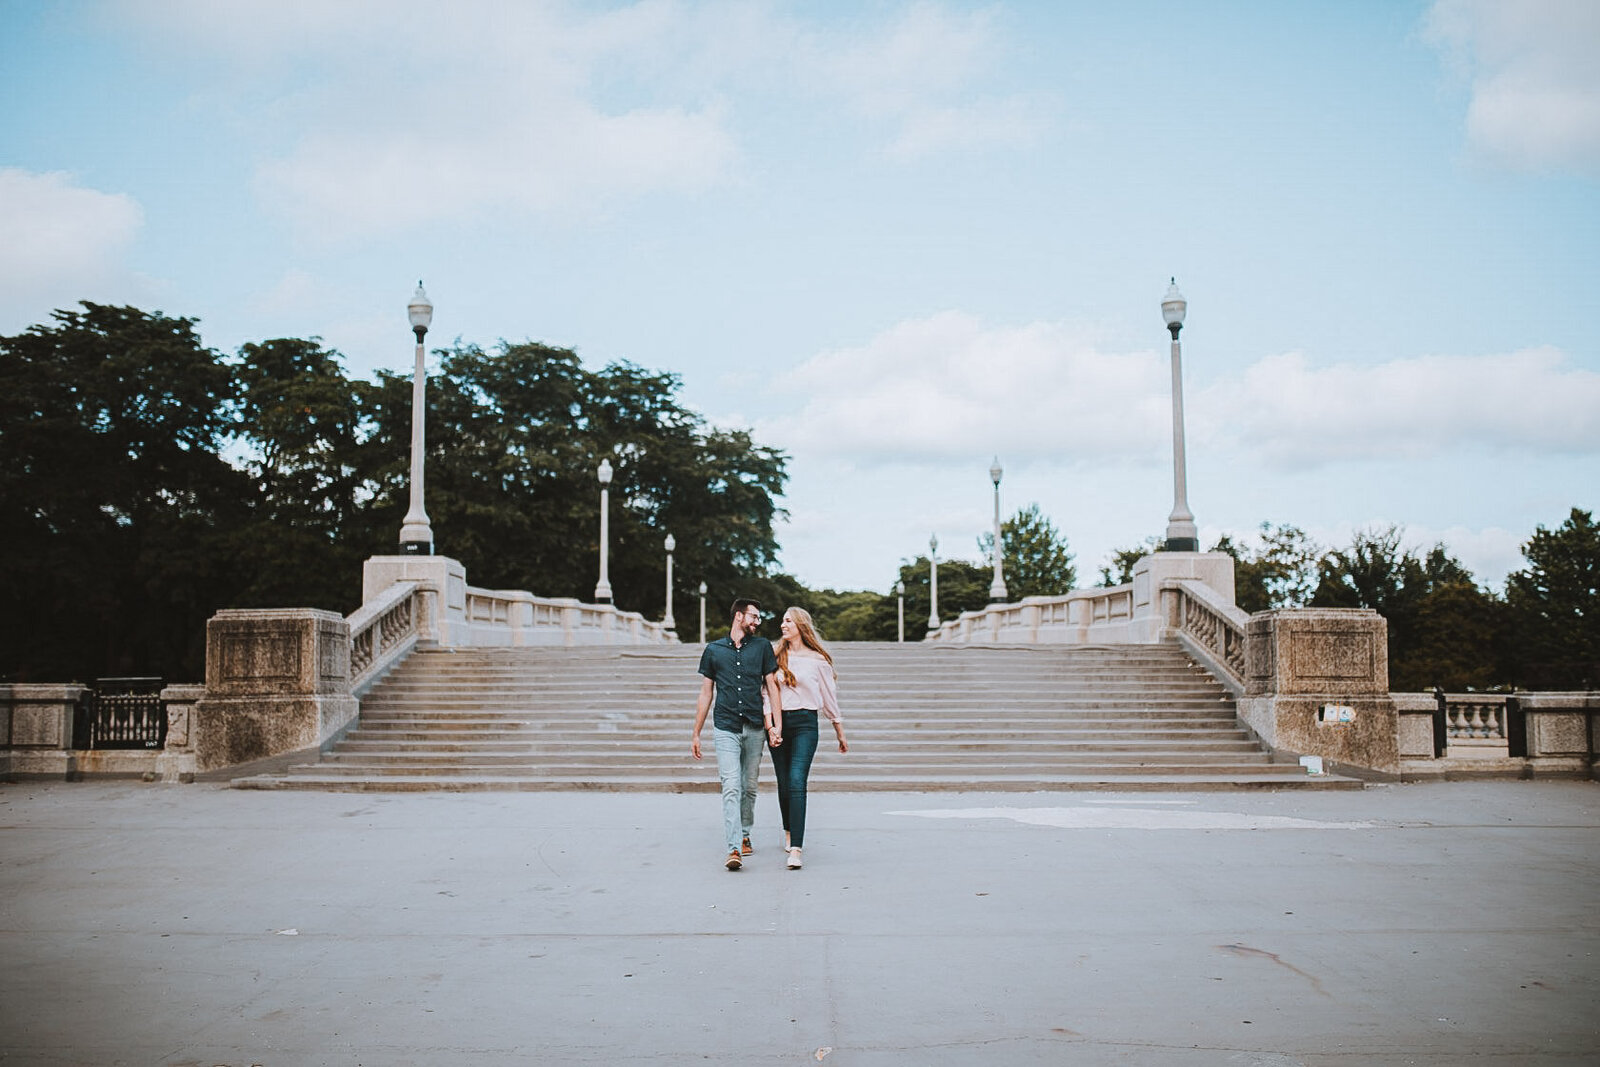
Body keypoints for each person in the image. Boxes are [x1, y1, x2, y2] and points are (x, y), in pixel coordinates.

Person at [691, 598, 781, 871]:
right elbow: (706, 693)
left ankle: (744, 833)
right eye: (754, 616)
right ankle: (733, 847)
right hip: (725, 726)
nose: (757, 622)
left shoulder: (763, 647)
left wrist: (777, 725)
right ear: (739, 616)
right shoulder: (714, 650)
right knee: (731, 785)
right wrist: (696, 733)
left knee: (749, 785)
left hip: (755, 726)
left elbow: (772, 687)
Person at [766, 607, 848, 870]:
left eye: (788, 620)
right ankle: (788, 830)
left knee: (796, 780)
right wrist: (771, 726)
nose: (783, 625)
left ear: (801, 624)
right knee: (783, 782)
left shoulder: (817, 660)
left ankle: (797, 849)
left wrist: (839, 729)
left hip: (805, 724)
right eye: (782, 621)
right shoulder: (775, 655)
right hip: (779, 724)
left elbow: (828, 696)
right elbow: (766, 694)